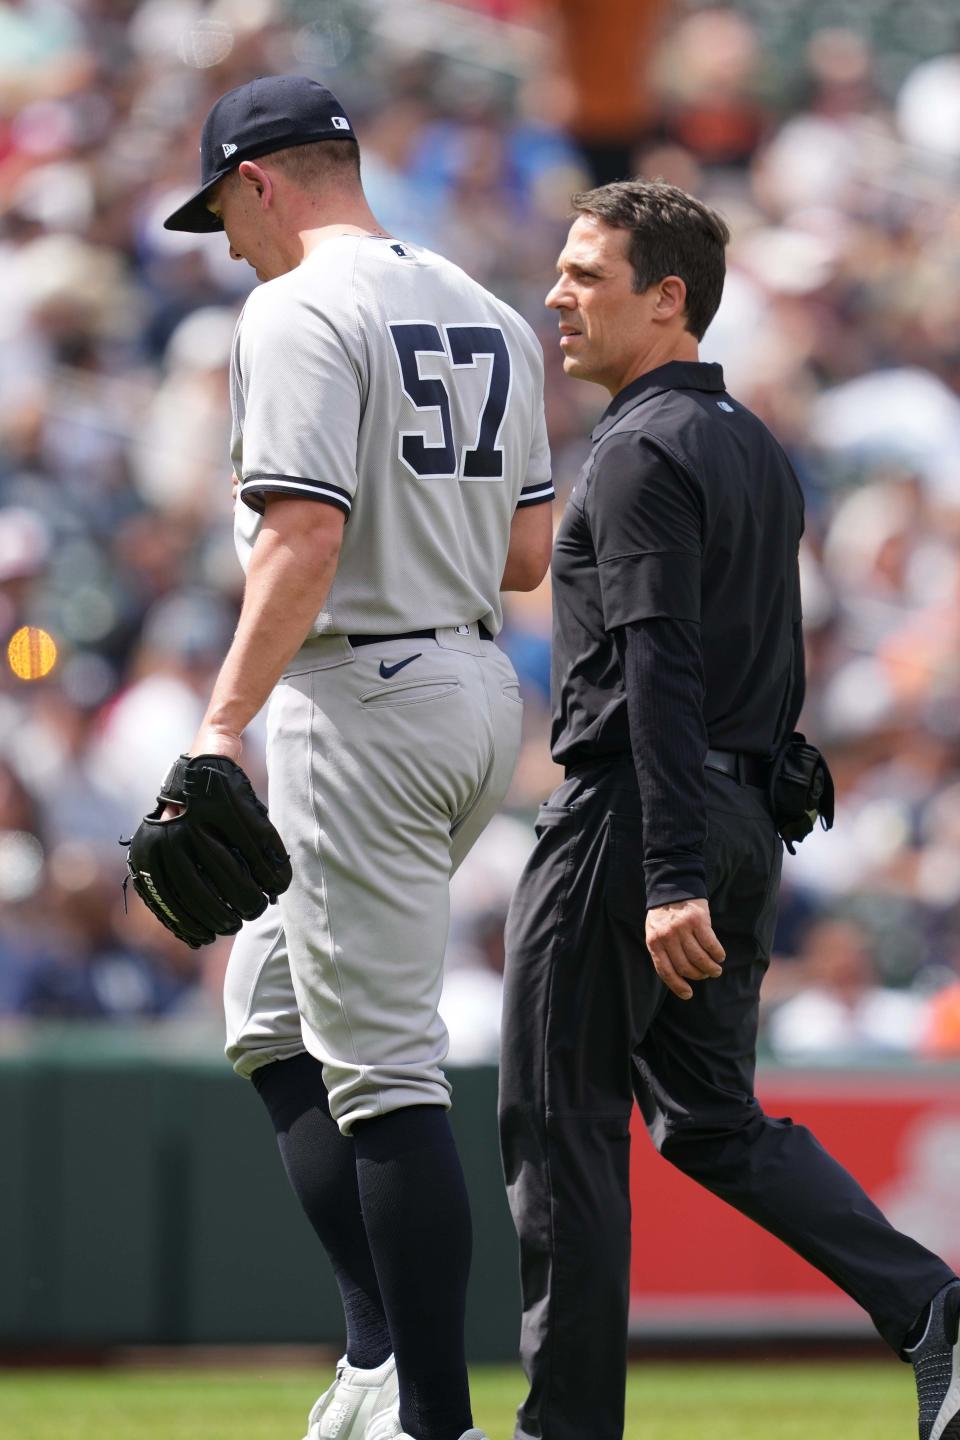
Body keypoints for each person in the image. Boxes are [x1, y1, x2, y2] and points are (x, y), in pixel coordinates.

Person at [496, 178, 960, 1440]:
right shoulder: (753, 444)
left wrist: (669, 872)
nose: (557, 296)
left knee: (561, 1120)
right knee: (708, 1121)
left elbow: (661, 661)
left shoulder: (639, 449)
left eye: (587, 276)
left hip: (641, 821)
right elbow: (768, 655)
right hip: (741, 808)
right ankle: (930, 1308)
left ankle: (566, 1430)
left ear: (669, 298)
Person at [162, 74, 553, 1440]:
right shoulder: (489, 306)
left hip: (362, 691)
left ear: (260, 178)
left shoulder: (293, 306)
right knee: (269, 1018)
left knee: (381, 1067)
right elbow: (525, 554)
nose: (228, 246)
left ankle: (430, 1421)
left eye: (222, 214)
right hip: (470, 684)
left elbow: (304, 537)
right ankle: (381, 1359)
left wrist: (219, 725)